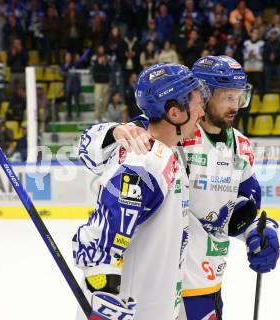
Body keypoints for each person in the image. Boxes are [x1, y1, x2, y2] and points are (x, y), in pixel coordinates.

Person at [78, 56, 280, 320]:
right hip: (159, 286)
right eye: (227, 97)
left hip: (206, 283)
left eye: (239, 97)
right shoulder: (168, 134)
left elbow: (241, 212)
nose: (235, 106)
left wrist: (259, 232)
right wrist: (115, 130)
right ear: (203, 96)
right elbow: (96, 152)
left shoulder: (241, 147)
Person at [74, 63, 207, 320]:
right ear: (175, 113)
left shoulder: (164, 152)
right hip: (133, 311)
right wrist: (103, 296)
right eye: (196, 104)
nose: (201, 112)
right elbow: (104, 232)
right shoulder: (147, 160)